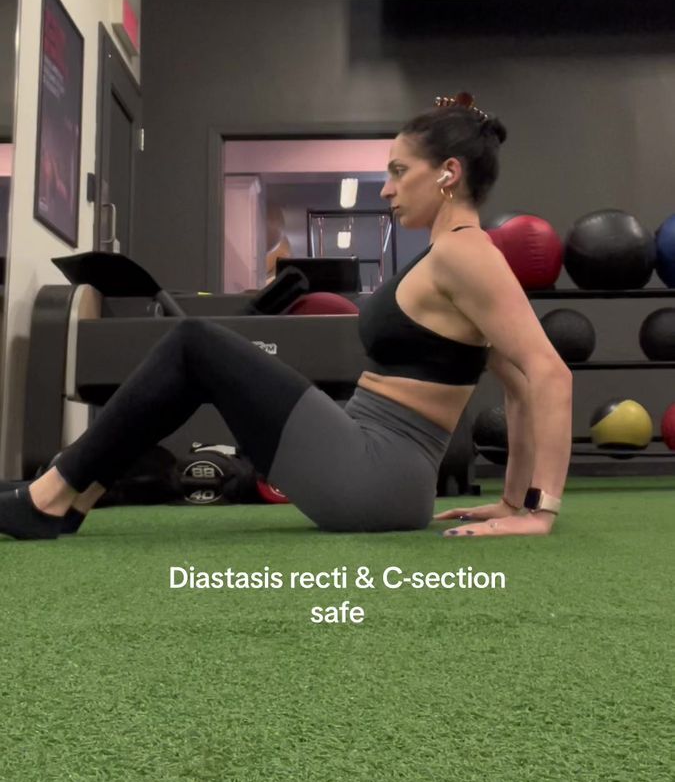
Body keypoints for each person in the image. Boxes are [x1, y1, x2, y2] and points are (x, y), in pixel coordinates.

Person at [0, 93, 572, 542]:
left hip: (374, 476)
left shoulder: (465, 254)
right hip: (370, 458)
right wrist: (509, 498)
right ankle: (68, 494)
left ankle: (54, 495)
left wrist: (536, 510)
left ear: (448, 173)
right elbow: (516, 386)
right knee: (196, 354)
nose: (389, 187)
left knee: (194, 343)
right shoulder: (450, 254)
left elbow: (547, 374)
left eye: (400, 171)